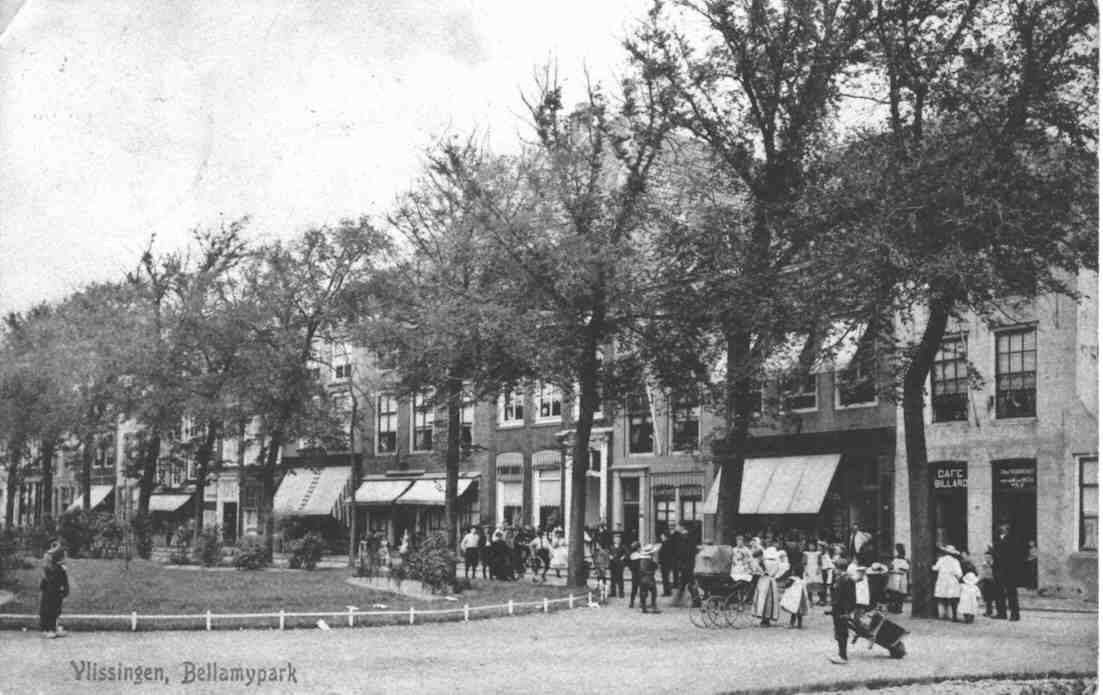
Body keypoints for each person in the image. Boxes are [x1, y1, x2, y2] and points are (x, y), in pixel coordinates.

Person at [829, 556, 857, 665]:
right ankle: (841, 653)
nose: (834, 570)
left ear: (839, 568)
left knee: (842, 633)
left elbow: (849, 597)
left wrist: (847, 612)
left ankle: (843, 656)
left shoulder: (846, 580)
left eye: (835, 568)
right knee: (839, 632)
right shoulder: (841, 578)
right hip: (838, 609)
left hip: (841, 610)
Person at [993, 523, 1023, 621]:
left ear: (1008, 529)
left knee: (1011, 593)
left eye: (1004, 527)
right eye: (1001, 526)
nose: (1002, 528)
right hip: (999, 569)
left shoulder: (1013, 539)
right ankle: (1001, 613)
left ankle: (1015, 614)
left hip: (1009, 570)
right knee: (999, 592)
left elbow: (1014, 554)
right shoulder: (997, 538)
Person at [39, 541, 69, 639]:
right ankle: (47, 629)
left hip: (57, 592)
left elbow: (64, 580)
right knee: (49, 610)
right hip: (50, 592)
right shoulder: (52, 568)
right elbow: (48, 580)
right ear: (58, 558)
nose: (66, 559)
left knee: (56, 610)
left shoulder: (60, 568)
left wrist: (65, 589)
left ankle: (54, 628)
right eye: (64, 557)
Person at [752, 545, 783, 627]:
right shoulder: (776, 562)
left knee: (763, 599)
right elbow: (778, 571)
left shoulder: (763, 562)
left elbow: (759, 571)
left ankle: (764, 619)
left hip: (764, 581)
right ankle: (767, 619)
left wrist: (759, 571)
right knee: (769, 600)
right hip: (771, 581)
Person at [933, 545, 963, 621]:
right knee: (953, 598)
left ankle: (943, 614)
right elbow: (959, 574)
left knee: (942, 597)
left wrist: (932, 566)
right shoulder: (955, 561)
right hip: (952, 581)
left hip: (942, 580)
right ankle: (953, 616)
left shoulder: (941, 560)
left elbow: (935, 568)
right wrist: (958, 578)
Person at [886, 543, 910, 614]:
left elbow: (904, 569)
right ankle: (896, 608)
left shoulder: (902, 560)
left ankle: (897, 608)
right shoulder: (898, 559)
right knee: (896, 593)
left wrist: (893, 569)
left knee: (897, 593)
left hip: (899, 577)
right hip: (896, 576)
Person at [979, 548, 1001, 617]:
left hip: (993, 582)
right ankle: (988, 611)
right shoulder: (984, 564)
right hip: (986, 582)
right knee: (987, 598)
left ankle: (997, 611)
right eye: (986, 557)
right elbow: (982, 573)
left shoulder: (994, 564)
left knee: (994, 597)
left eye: (989, 557)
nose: (987, 559)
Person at [638, 545, 660, 613]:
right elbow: (655, 567)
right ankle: (653, 607)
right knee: (654, 592)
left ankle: (644, 607)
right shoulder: (649, 560)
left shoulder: (642, 559)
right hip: (649, 578)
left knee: (644, 593)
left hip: (643, 578)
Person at [608, 535, 628, 599]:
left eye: (618, 539)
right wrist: (609, 556)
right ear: (613, 540)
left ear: (620, 540)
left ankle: (621, 593)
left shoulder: (623, 546)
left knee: (620, 578)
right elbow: (608, 553)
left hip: (620, 564)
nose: (617, 540)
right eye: (616, 539)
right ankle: (613, 592)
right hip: (613, 564)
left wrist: (623, 557)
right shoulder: (611, 547)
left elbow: (627, 553)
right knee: (612, 579)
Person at [657, 531, 675, 596]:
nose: (661, 537)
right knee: (666, 578)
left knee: (665, 578)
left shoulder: (667, 544)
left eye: (662, 536)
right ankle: (667, 591)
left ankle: (667, 592)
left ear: (665, 536)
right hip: (665, 563)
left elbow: (666, 554)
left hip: (665, 563)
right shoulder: (665, 543)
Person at [818, 541, 835, 606]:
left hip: (824, 572)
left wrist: (828, 569)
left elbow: (830, 565)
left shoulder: (826, 555)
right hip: (819, 572)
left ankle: (823, 600)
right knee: (819, 585)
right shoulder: (818, 555)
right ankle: (820, 598)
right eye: (818, 547)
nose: (819, 548)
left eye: (820, 547)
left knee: (823, 586)